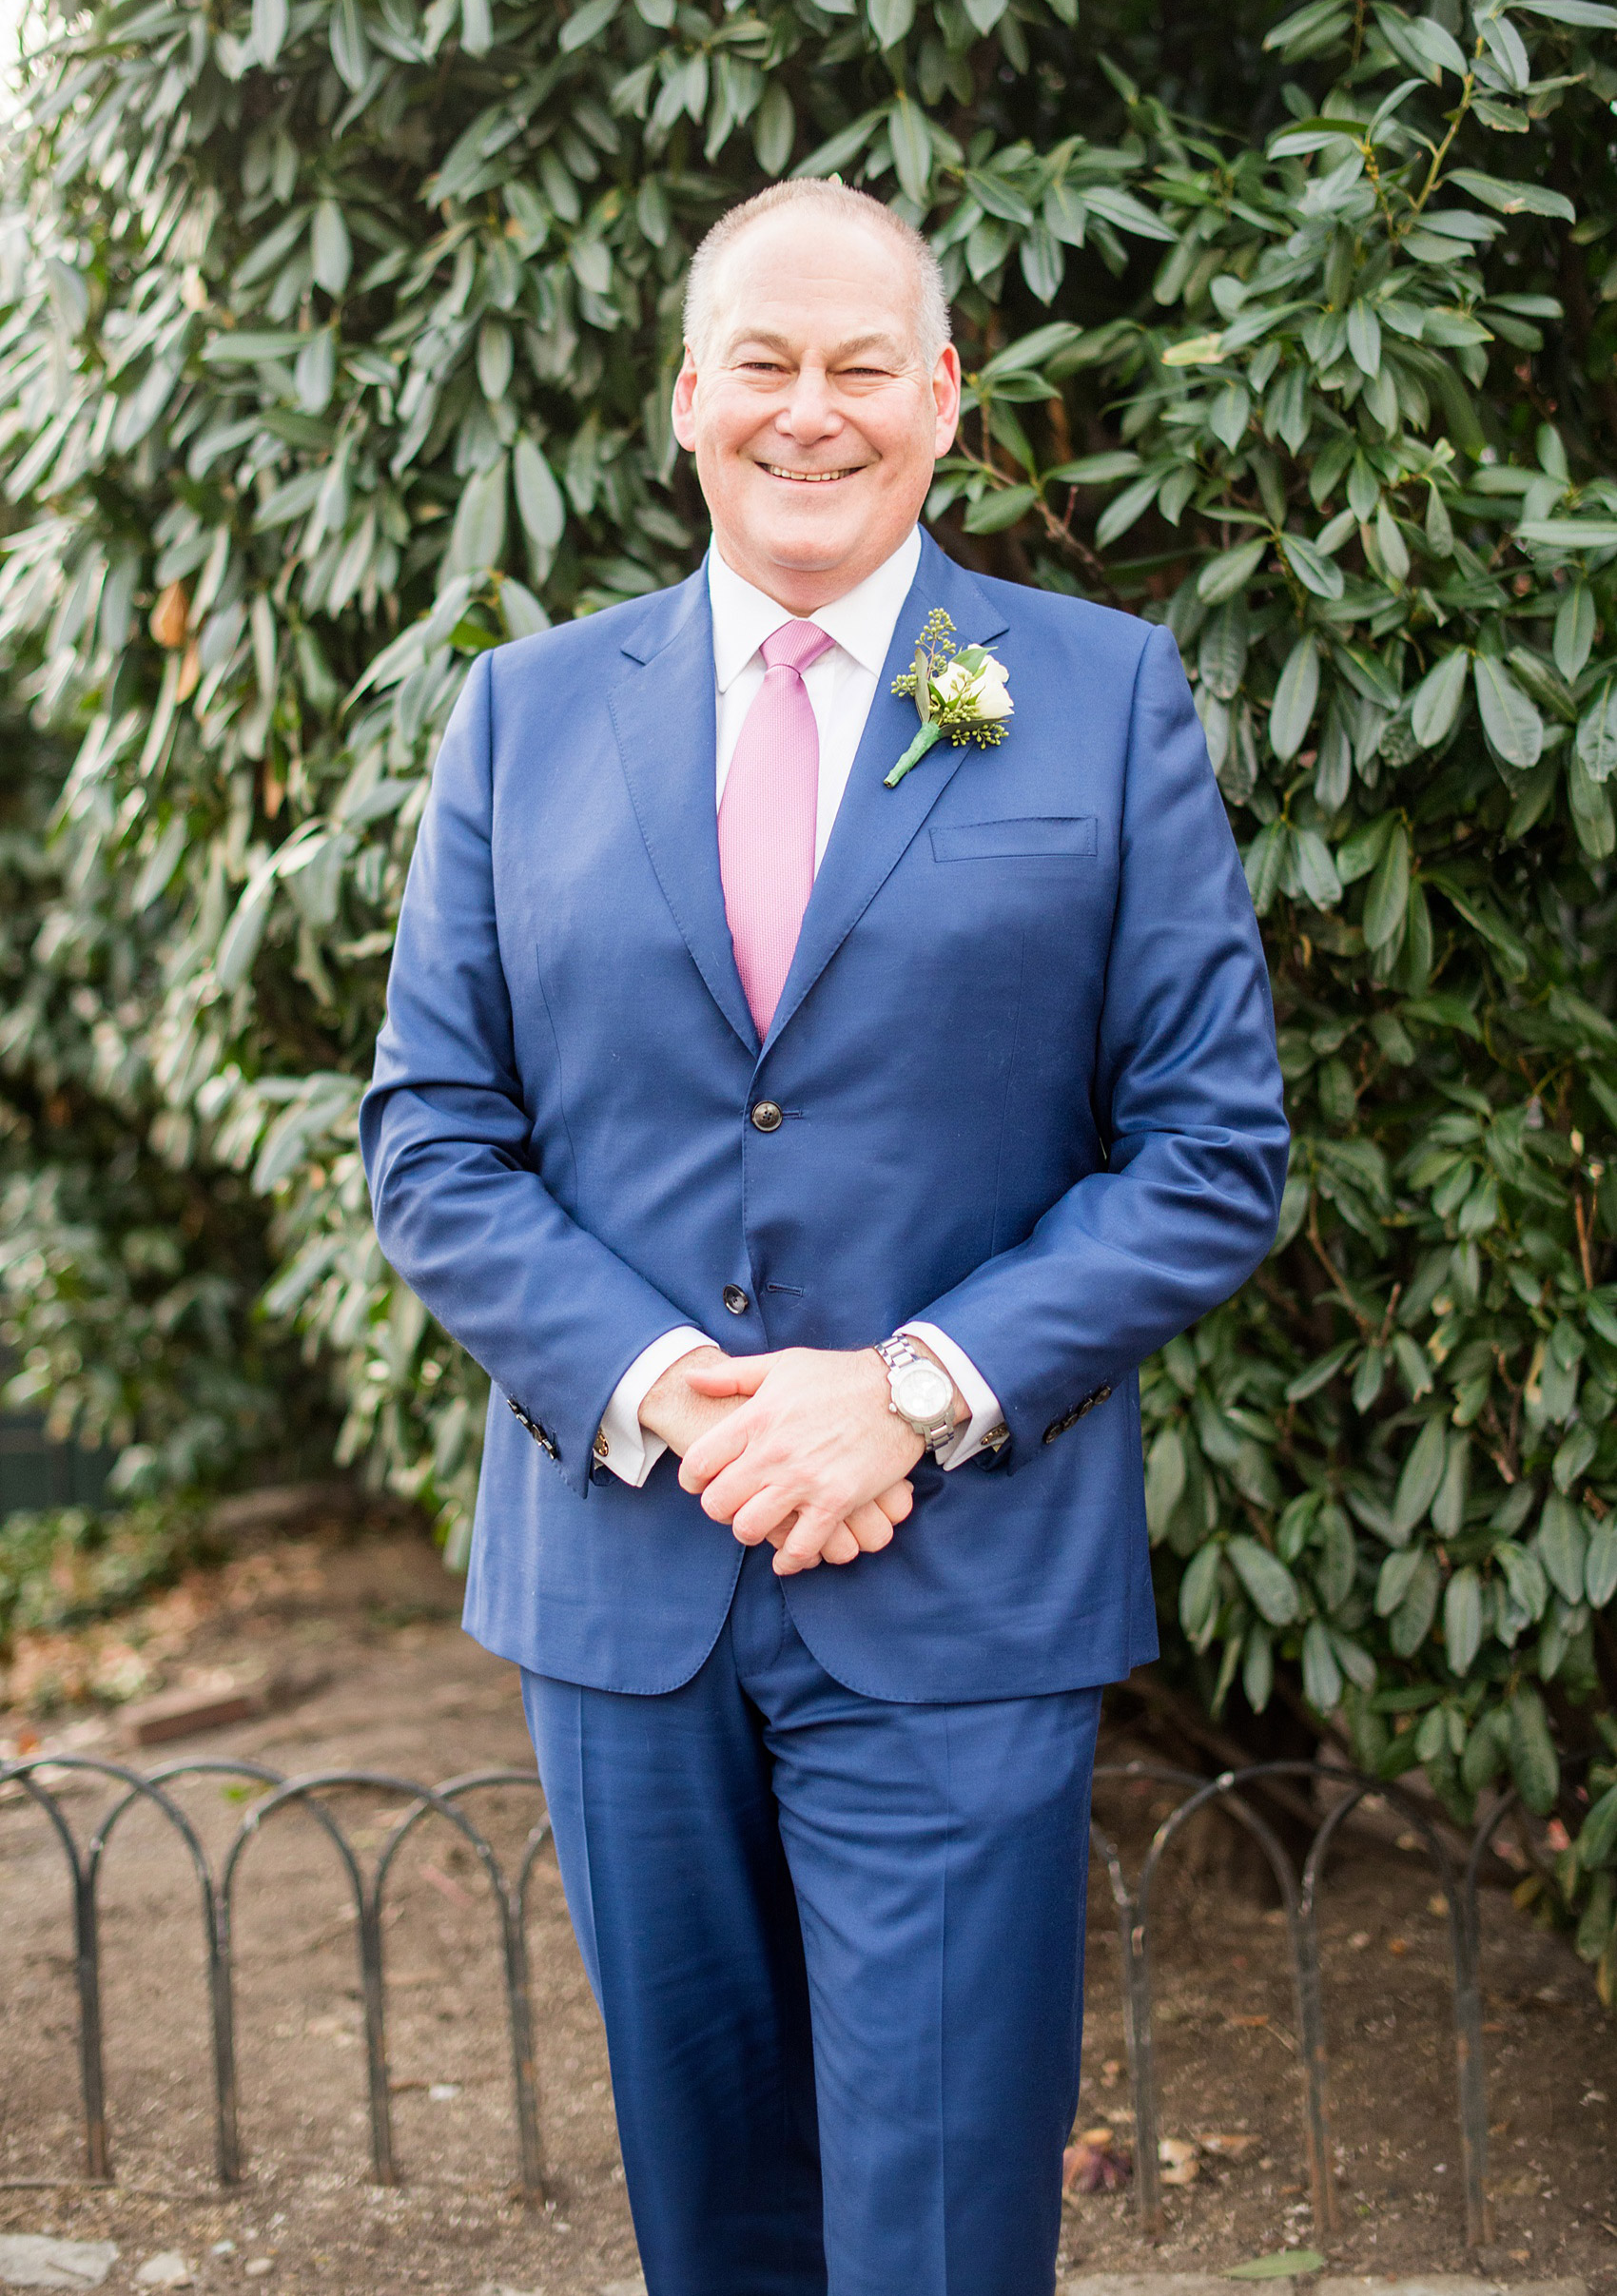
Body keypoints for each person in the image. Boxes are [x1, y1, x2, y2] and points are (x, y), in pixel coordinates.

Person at [360, 177, 1289, 2296]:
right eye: (761, 363)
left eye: (862, 363)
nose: (811, 409)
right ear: (683, 400)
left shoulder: (1103, 694)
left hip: (958, 1589)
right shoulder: (519, 714)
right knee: (715, 2222)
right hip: (624, 1589)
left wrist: (903, 1395)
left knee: (946, 2229)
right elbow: (433, 1135)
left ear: (942, 397)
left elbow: (1211, 1148)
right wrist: (672, 1393)